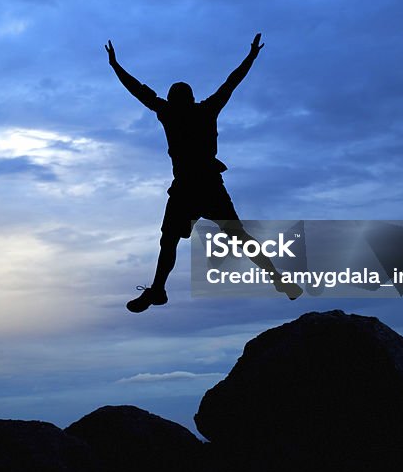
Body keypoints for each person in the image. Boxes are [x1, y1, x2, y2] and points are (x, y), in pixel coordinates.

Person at [106, 33, 302, 312]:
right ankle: (277, 279)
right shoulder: (203, 109)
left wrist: (115, 65)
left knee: (175, 240)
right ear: (191, 97)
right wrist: (251, 57)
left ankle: (160, 289)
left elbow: (139, 90)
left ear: (175, 99)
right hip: (199, 186)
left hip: (197, 186)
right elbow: (230, 83)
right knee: (221, 237)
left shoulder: (170, 111)